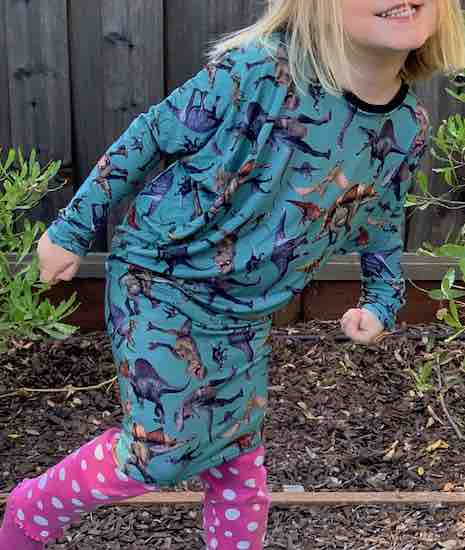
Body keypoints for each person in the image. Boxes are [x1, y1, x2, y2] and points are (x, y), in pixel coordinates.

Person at [1, 1, 464, 548]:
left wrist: (383, 299)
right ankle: (33, 509)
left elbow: (383, 211)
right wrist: (73, 229)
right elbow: (151, 136)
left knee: (239, 454)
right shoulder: (259, 71)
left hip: (246, 311)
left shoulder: (407, 125)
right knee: (162, 450)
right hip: (162, 278)